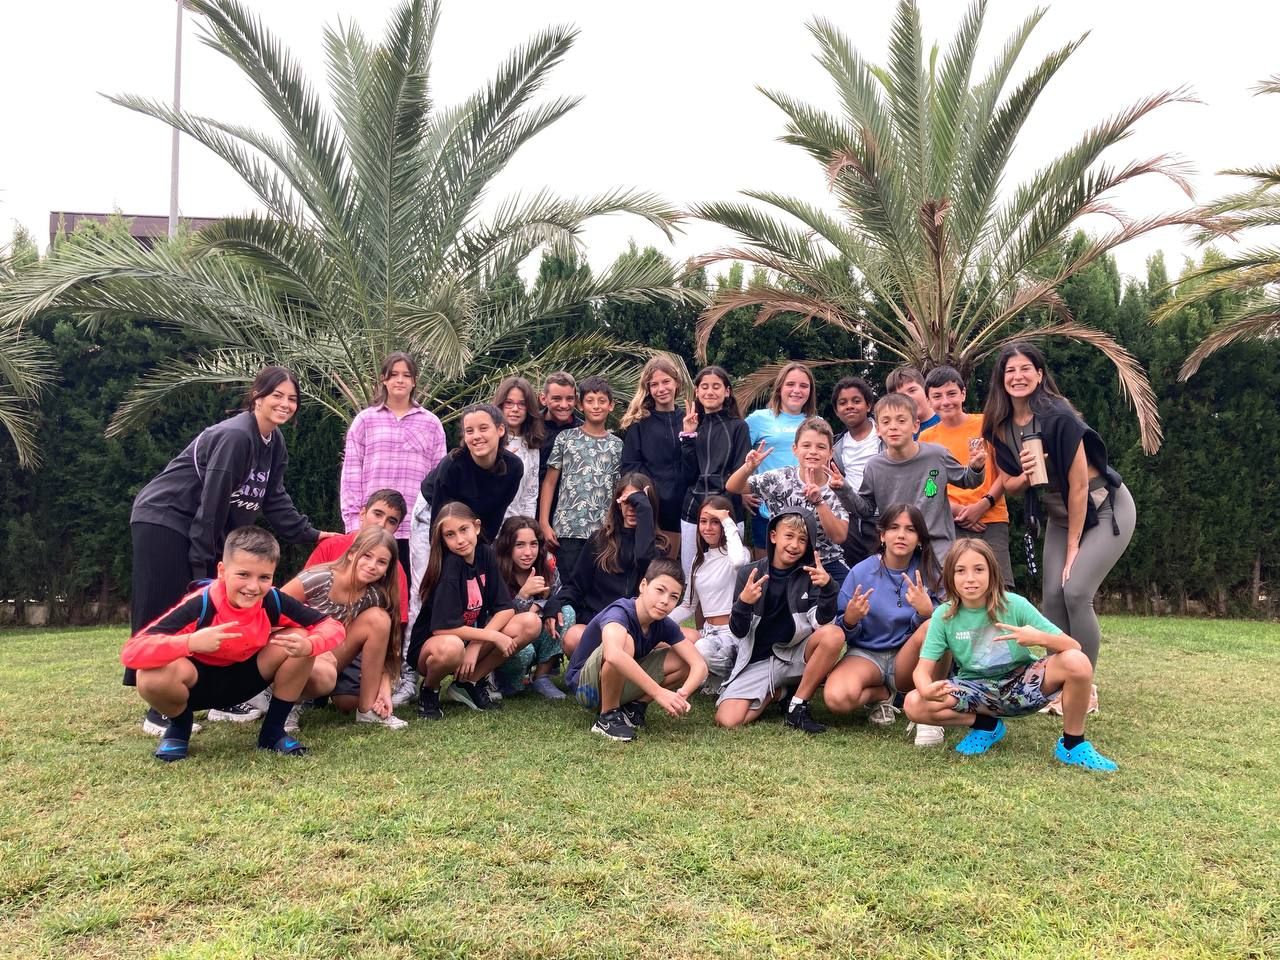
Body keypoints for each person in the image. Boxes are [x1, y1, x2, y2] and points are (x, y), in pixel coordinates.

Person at [128, 365, 337, 734]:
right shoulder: (237, 437)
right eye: (277, 395)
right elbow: (210, 510)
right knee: (172, 607)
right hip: (166, 518)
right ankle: (160, 709)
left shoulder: (274, 443)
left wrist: (312, 534)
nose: (285, 404)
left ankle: (218, 693)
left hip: (202, 525)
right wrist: (200, 576)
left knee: (226, 610)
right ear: (257, 397)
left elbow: (274, 499)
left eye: (292, 399)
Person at [982, 342, 1136, 712]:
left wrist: (1072, 549)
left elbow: (1079, 485)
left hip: (1104, 507)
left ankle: (1083, 689)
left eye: (1025, 369)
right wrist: (1026, 473)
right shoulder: (1000, 425)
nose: (1018, 376)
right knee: (1052, 596)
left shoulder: (1058, 415)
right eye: (1010, 371)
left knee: (1075, 591)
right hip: (1060, 514)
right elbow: (1011, 484)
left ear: (1039, 374)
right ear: (1001, 379)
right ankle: (1057, 683)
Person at [121, 527, 345, 762]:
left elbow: (331, 625)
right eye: (243, 574)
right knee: (149, 676)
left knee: (300, 637)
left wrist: (311, 645)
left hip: (248, 682)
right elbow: (133, 651)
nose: (253, 587)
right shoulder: (200, 604)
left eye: (264, 577)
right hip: (197, 685)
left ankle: (273, 732)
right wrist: (190, 642)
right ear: (222, 571)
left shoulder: (273, 600)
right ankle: (179, 728)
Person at [903, 538, 1118, 771]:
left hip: (1024, 685)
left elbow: (1073, 646)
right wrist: (926, 688)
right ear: (950, 577)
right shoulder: (944, 616)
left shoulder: (1014, 604)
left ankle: (1073, 745)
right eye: (960, 571)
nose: (970, 578)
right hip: (976, 690)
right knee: (914, 704)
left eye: (978, 569)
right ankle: (987, 726)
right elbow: (922, 670)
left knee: (1077, 661)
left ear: (992, 573)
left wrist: (1038, 637)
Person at [824, 504, 947, 746]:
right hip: (867, 655)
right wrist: (850, 619)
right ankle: (882, 694)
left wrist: (925, 613)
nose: (901, 535)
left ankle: (930, 714)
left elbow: (945, 629)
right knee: (836, 699)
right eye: (894, 528)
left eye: (910, 529)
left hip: (908, 659)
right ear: (882, 535)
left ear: (919, 539)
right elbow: (843, 630)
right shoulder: (861, 572)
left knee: (937, 623)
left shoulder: (929, 572)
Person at [714, 509, 845, 734]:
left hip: (797, 654)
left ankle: (797, 706)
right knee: (727, 720)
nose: (794, 545)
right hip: (759, 660)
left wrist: (828, 589)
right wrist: (743, 603)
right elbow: (738, 631)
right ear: (774, 536)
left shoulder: (811, 574)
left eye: (802, 540)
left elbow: (821, 624)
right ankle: (781, 693)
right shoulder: (750, 573)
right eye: (789, 536)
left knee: (834, 634)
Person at [407, 503, 542, 719]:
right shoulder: (450, 566)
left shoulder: (485, 554)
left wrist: (476, 645)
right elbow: (443, 629)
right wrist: (492, 636)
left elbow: (505, 609)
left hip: (469, 639)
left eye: (464, 530)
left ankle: (468, 682)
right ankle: (430, 690)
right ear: (443, 539)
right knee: (452, 646)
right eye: (450, 535)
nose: (460, 540)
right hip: (435, 646)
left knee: (530, 623)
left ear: (476, 527)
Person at [832, 393, 986, 567]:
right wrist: (843, 489)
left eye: (901, 421)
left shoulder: (937, 455)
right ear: (878, 430)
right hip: (897, 549)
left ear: (915, 426)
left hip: (937, 547)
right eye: (886, 422)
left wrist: (976, 467)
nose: (893, 427)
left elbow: (968, 481)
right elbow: (866, 510)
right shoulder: (874, 466)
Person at [564, 558, 708, 743]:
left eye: (673, 597)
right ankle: (607, 718)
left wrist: (681, 695)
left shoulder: (663, 624)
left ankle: (633, 709)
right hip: (587, 690)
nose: (665, 601)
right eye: (660, 590)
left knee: (683, 660)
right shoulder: (619, 612)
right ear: (643, 585)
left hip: (618, 681)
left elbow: (699, 664)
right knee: (625, 643)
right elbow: (613, 655)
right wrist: (658, 692)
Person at [408, 404, 523, 627]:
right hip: (433, 515)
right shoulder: (452, 466)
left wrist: (478, 554)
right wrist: (447, 563)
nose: (476, 436)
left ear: (500, 430)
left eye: (483, 428)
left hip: (474, 524)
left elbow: (494, 518)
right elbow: (439, 528)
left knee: (473, 581)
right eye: (469, 431)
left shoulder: (514, 467)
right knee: (427, 584)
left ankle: (467, 641)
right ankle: (414, 648)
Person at [283, 526, 407, 731]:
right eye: (366, 556)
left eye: (381, 562)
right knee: (320, 672)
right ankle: (285, 705)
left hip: (332, 656)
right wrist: (308, 643)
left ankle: (368, 711)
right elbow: (271, 609)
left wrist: (384, 687)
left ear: (388, 568)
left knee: (379, 619)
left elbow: (389, 648)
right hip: (296, 651)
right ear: (351, 553)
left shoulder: (375, 596)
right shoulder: (319, 578)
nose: (372, 566)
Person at [339, 352, 446, 581]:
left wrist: (435, 526)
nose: (400, 380)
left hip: (415, 529)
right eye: (394, 374)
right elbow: (351, 476)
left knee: (410, 591)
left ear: (414, 381)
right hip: (371, 529)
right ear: (383, 379)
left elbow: (440, 479)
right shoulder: (365, 421)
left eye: (406, 375)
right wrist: (354, 525)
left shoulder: (431, 424)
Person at [305, 489, 414, 705]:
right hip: (315, 636)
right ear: (362, 514)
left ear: (397, 528)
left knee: (349, 702)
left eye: (391, 521)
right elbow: (296, 601)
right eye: (377, 514)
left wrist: (385, 679)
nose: (382, 524)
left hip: (354, 646)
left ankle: (339, 690)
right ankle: (299, 688)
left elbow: (395, 629)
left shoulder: (394, 569)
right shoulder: (330, 547)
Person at [920, 366, 1014, 589]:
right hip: (949, 523)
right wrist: (955, 509)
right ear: (928, 401)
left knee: (999, 585)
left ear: (963, 394)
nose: (945, 401)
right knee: (957, 586)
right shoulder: (926, 438)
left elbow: (1007, 473)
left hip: (991, 518)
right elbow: (928, 486)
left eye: (951, 393)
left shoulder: (987, 424)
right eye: (937, 396)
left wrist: (984, 504)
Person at [726, 416, 851, 583]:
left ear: (830, 453)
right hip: (784, 562)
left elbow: (839, 536)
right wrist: (748, 468)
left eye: (821, 447)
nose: (813, 451)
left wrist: (820, 503)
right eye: (806, 445)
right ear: (795, 449)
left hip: (826, 562)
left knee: (849, 594)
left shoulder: (837, 485)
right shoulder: (779, 479)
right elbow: (733, 486)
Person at [557, 475, 661, 658]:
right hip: (598, 623)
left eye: (638, 502)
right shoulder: (599, 540)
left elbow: (644, 560)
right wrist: (555, 604)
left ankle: (624, 665)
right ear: (618, 504)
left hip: (637, 629)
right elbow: (576, 585)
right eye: (627, 501)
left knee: (690, 639)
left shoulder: (658, 547)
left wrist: (644, 512)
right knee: (574, 636)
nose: (632, 508)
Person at [539, 375, 622, 576]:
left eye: (602, 401)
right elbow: (550, 483)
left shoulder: (617, 445)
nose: (596, 406)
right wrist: (544, 522)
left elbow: (617, 489)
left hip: (602, 531)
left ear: (611, 405)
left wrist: (616, 527)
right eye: (590, 401)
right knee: (568, 583)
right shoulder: (566, 438)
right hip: (567, 529)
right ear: (580, 405)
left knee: (598, 583)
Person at [670, 496, 751, 694]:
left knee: (701, 650)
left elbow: (738, 561)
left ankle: (734, 676)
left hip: (733, 633)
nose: (707, 528)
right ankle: (717, 676)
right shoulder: (698, 561)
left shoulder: (740, 553)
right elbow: (688, 605)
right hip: (708, 633)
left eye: (715, 522)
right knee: (674, 640)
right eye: (703, 521)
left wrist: (726, 520)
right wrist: (658, 622)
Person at [678, 365, 752, 583]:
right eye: (704, 387)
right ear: (697, 392)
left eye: (716, 387)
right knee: (692, 577)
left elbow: (739, 472)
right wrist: (688, 436)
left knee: (730, 577)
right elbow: (688, 476)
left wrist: (717, 507)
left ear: (727, 391)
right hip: (693, 510)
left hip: (728, 509)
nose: (710, 392)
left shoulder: (738, 427)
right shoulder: (691, 426)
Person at [491, 515, 573, 700]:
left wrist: (544, 605)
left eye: (533, 544)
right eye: (520, 545)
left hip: (538, 635)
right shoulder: (495, 570)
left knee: (566, 613)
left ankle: (541, 676)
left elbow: (560, 595)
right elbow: (494, 619)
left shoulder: (546, 567)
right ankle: (508, 681)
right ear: (507, 546)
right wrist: (523, 596)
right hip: (506, 641)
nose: (528, 552)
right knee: (524, 651)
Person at [744, 362, 819, 557]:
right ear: (779, 388)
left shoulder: (816, 423)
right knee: (766, 567)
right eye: (790, 384)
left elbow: (824, 465)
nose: (797, 390)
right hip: (767, 510)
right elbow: (739, 458)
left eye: (804, 386)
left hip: (806, 511)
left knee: (804, 567)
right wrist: (741, 493)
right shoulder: (758, 419)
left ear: (810, 391)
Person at [620, 356, 691, 559]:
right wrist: (650, 497)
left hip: (686, 508)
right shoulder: (639, 424)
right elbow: (630, 467)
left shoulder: (689, 419)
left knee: (682, 569)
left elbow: (696, 463)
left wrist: (690, 435)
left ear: (676, 383)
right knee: (656, 568)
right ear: (648, 389)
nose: (661, 389)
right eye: (654, 384)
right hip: (654, 509)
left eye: (666, 381)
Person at [493, 375, 544, 520]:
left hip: (516, 525)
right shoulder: (488, 441)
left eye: (522, 404)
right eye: (509, 403)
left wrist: (527, 527)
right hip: (487, 523)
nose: (515, 409)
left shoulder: (531, 445)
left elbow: (530, 495)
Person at [536, 371, 584, 517]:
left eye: (569, 399)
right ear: (543, 398)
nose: (564, 405)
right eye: (556, 399)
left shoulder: (583, 431)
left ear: (576, 399)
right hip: (530, 506)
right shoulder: (530, 427)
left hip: (569, 510)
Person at [885, 365, 939, 436]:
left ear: (925, 390)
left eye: (912, 390)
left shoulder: (946, 419)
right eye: (900, 395)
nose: (908, 397)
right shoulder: (896, 433)